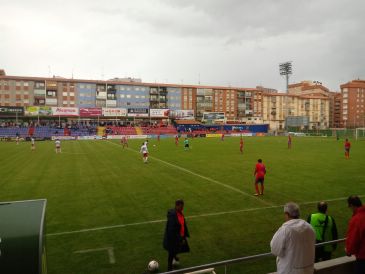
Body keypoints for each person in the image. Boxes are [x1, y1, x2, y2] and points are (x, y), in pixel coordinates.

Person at [271, 202, 316, 274]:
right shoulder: (310, 227)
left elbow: (275, 249)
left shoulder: (285, 230)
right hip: (308, 270)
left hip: (290, 270)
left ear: (286, 214)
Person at [163, 199, 190, 271]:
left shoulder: (180, 213)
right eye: (181, 207)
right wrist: (180, 238)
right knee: (171, 253)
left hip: (179, 237)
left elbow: (182, 224)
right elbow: (172, 230)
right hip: (173, 239)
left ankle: (175, 257)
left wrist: (184, 235)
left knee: (177, 249)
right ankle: (169, 269)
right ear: (176, 206)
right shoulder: (173, 215)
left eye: (183, 207)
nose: (182, 208)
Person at [345, 195, 365, 274]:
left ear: (352, 205)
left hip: (362, 258)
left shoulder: (357, 219)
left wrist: (349, 251)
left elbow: (354, 239)